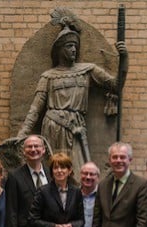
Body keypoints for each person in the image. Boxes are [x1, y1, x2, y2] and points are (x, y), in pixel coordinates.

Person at [17, 18, 128, 174]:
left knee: (77, 172)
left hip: (76, 127)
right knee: (52, 171)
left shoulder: (88, 70)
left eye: (75, 46)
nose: (74, 50)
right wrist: (21, 135)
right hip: (52, 127)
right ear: (60, 50)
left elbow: (116, 86)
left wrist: (124, 58)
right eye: (69, 46)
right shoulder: (48, 77)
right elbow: (35, 109)